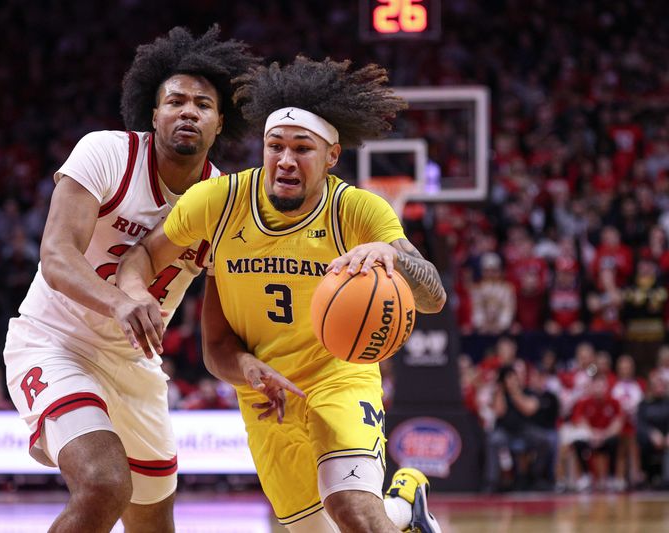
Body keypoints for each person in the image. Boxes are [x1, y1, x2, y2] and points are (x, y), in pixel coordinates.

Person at [117, 57, 446, 533]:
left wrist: (392, 256)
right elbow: (144, 258)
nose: (286, 160)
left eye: (302, 149)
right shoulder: (220, 201)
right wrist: (133, 294)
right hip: (266, 395)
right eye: (275, 146)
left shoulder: (356, 209)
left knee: (354, 511)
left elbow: (433, 296)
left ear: (331, 156)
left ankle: (390, 508)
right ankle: (405, 505)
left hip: (340, 379)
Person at [2, 26, 259, 533]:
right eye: (176, 101)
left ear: (220, 123)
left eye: (203, 105)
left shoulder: (224, 204)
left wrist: (251, 369)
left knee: (154, 523)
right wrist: (118, 302)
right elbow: (55, 256)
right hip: (56, 341)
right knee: (104, 484)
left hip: (135, 365)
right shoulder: (106, 154)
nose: (188, 111)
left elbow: (217, 337)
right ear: (154, 113)